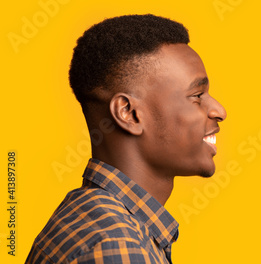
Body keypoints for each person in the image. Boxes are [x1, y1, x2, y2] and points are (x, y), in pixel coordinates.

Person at [26, 14, 227, 263]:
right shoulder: (116, 245)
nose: (219, 111)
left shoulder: (99, 221)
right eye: (197, 95)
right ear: (129, 114)